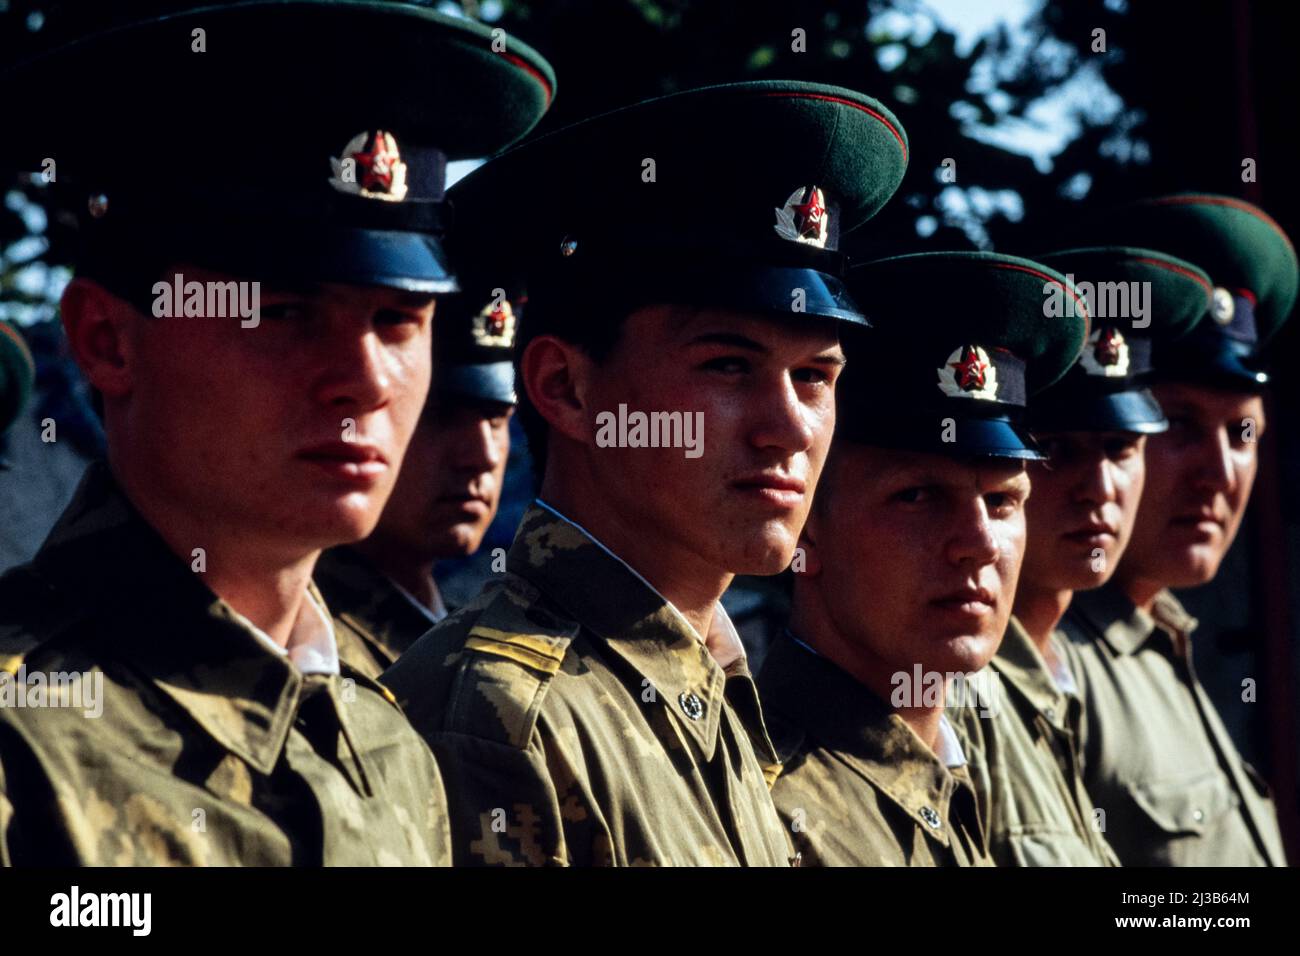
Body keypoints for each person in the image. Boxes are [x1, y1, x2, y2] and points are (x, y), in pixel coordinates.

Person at [0, 1, 554, 865]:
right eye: (286, 311)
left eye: (401, 320)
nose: (367, 379)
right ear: (107, 340)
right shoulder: (22, 741)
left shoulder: (392, 745)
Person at [382, 79, 911, 866]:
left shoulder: (716, 692)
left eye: (816, 377)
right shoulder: (502, 719)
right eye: (730, 365)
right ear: (565, 387)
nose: (790, 427)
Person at [760, 251, 1087, 866]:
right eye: (918, 496)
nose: (979, 541)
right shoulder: (763, 808)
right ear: (806, 528)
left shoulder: (968, 767)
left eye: (1002, 501)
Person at [1058, 194, 1296, 866]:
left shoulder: (1163, 637)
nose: (1219, 473)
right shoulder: (1047, 662)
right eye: (1181, 426)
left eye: (1241, 433)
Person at [956, 245, 1211, 866]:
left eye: (1121, 448)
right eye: (1058, 450)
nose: (1099, 488)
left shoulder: (1064, 672)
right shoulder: (957, 692)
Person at [318, 277, 519, 678]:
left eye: (496, 420)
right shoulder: (316, 649)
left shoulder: (458, 630)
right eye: (441, 416)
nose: (481, 456)